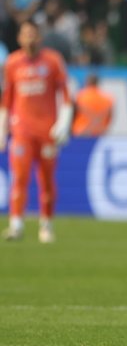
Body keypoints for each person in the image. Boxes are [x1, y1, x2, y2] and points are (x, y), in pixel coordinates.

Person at [0, 21, 71, 243]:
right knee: (19, 177)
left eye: (33, 34)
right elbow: (7, 100)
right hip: (22, 131)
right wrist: (2, 131)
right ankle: (16, 225)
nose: (29, 38)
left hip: (46, 131)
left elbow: (67, 96)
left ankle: (46, 225)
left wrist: (63, 123)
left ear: (39, 37)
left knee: (46, 180)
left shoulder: (53, 61)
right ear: (19, 38)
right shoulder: (12, 63)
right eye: (25, 34)